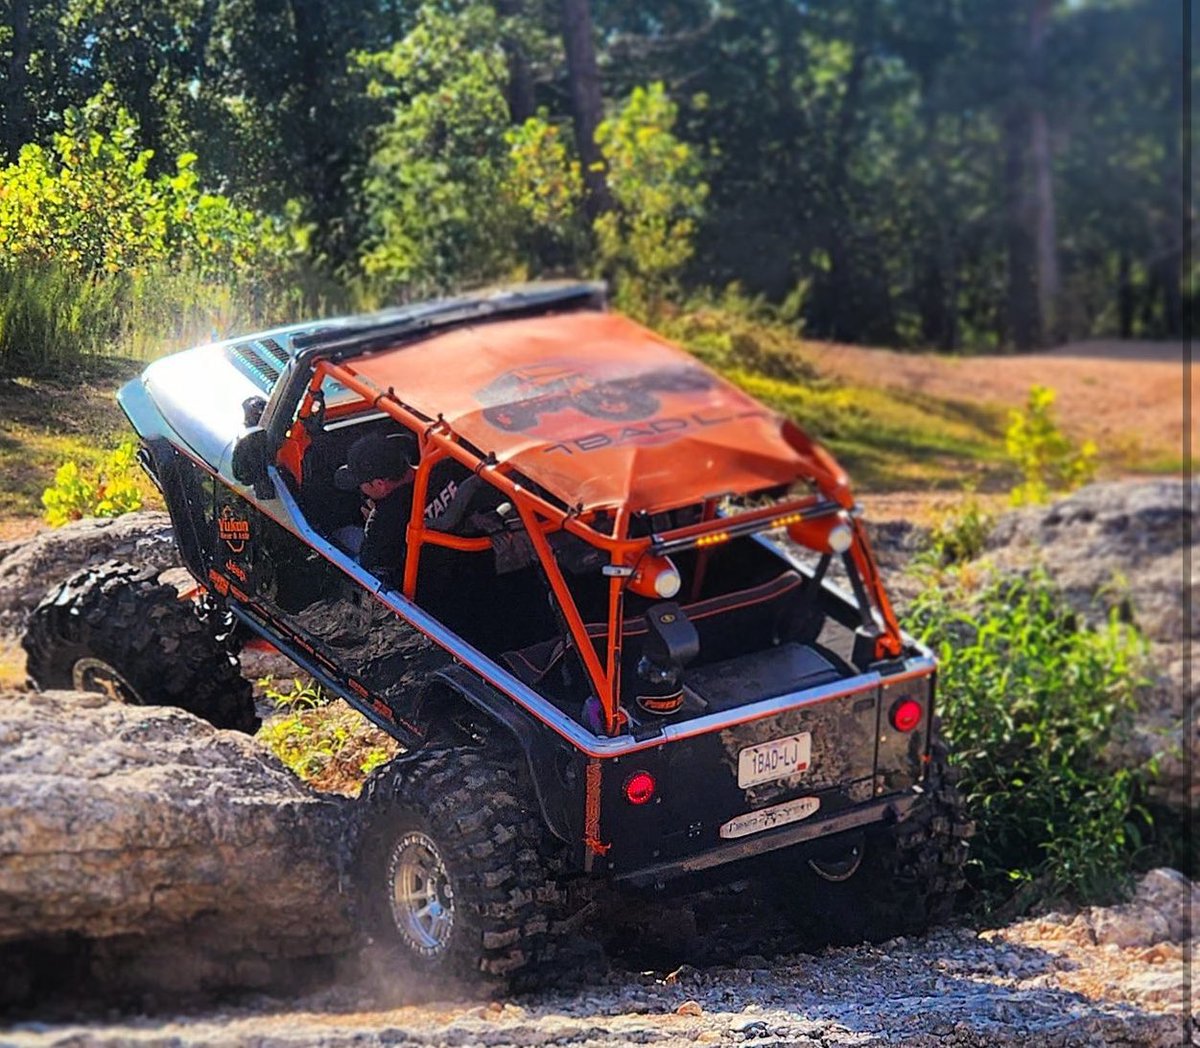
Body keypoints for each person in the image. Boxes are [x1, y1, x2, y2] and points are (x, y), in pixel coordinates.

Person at [332, 432, 416, 580]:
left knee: (341, 534)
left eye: (361, 484)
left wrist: (371, 521)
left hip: (411, 572)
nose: (361, 490)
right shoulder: (441, 468)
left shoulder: (382, 523)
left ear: (379, 484)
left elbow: (369, 566)